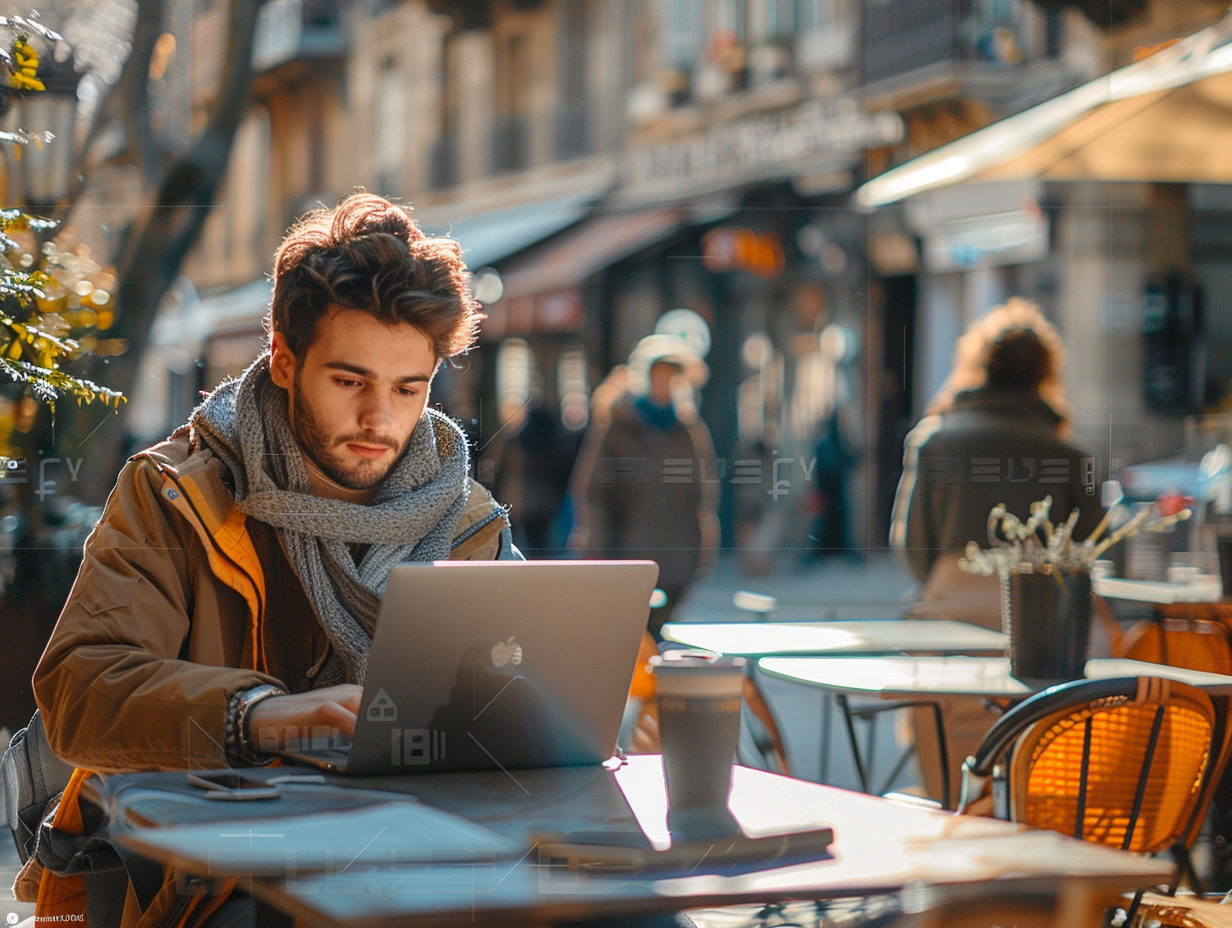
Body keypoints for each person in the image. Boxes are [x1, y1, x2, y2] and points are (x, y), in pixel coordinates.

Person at [24, 193, 520, 924]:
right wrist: (260, 716)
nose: (379, 420)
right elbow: (81, 689)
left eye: (408, 388)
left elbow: (526, 691)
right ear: (283, 361)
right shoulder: (176, 492)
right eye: (350, 382)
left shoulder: (467, 517)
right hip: (215, 878)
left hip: (427, 856)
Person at [888, 297, 1102, 805]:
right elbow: (1091, 550)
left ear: (979, 364)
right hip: (1048, 633)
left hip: (948, 626)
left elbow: (911, 545)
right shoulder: (1070, 454)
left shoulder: (937, 441)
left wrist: (947, 577)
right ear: (1047, 373)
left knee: (948, 783)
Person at [569, 335, 718, 639]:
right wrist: (597, 547)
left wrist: (701, 555)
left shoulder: (688, 430)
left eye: (671, 376)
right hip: (627, 553)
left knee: (660, 637)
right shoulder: (617, 425)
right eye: (658, 375)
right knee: (631, 638)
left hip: (675, 557)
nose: (664, 383)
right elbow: (593, 490)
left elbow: (701, 496)